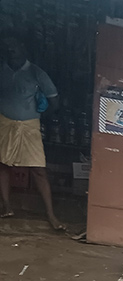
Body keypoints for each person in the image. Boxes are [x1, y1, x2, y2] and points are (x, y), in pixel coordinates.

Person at [0, 38, 63, 230]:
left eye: (15, 47)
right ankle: (7, 207)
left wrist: (39, 116)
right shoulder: (2, 70)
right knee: (3, 164)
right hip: (4, 123)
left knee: (38, 169)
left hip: (30, 126)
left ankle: (51, 215)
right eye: (8, 48)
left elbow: (55, 102)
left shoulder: (37, 73)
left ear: (24, 49)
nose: (11, 51)